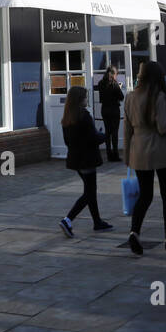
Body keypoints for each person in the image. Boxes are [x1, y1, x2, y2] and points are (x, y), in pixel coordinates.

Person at [122, 62, 166, 254]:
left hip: (138, 148)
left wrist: (127, 154)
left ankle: (134, 232)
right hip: (159, 148)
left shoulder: (130, 97)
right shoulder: (159, 97)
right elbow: (163, 126)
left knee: (145, 195)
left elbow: (127, 129)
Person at [59, 86, 114, 236]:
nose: (86, 99)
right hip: (87, 159)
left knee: (90, 190)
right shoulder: (84, 116)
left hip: (76, 160)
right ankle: (68, 219)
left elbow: (67, 141)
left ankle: (97, 222)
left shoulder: (67, 117)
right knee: (89, 193)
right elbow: (93, 138)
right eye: (85, 97)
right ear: (79, 99)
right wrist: (104, 136)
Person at [95, 66, 125, 162]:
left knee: (108, 132)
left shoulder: (100, 83)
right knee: (114, 133)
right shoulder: (114, 84)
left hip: (105, 110)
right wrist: (118, 87)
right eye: (116, 74)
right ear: (114, 74)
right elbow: (121, 97)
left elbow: (102, 96)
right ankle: (115, 155)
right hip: (114, 110)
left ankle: (109, 155)